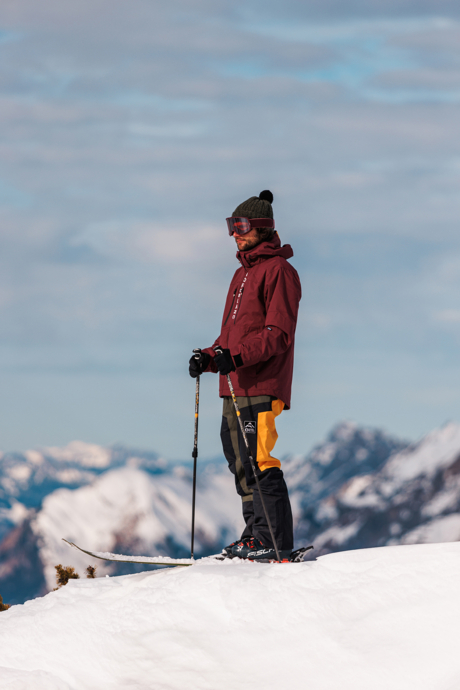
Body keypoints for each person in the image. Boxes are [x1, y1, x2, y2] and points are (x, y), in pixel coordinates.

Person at [189, 190, 301, 560]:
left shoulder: (279, 272)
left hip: (262, 383)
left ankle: (275, 541)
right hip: (235, 385)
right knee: (240, 463)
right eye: (231, 226)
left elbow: (276, 335)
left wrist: (232, 356)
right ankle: (255, 536)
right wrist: (208, 359)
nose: (234, 234)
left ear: (263, 228)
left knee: (258, 459)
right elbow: (230, 338)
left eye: (240, 226)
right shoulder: (242, 274)